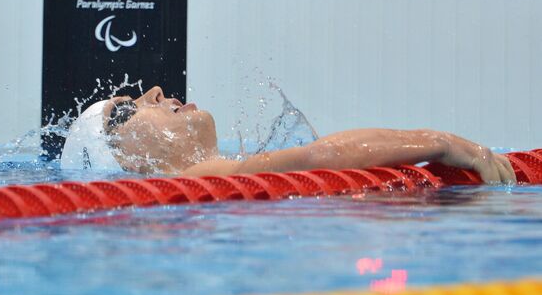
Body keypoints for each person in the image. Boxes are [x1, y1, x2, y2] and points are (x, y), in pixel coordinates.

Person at [61, 86, 516, 184]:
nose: (154, 91)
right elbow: (321, 155)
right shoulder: (221, 176)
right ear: (132, 162)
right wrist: (444, 144)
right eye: (128, 111)